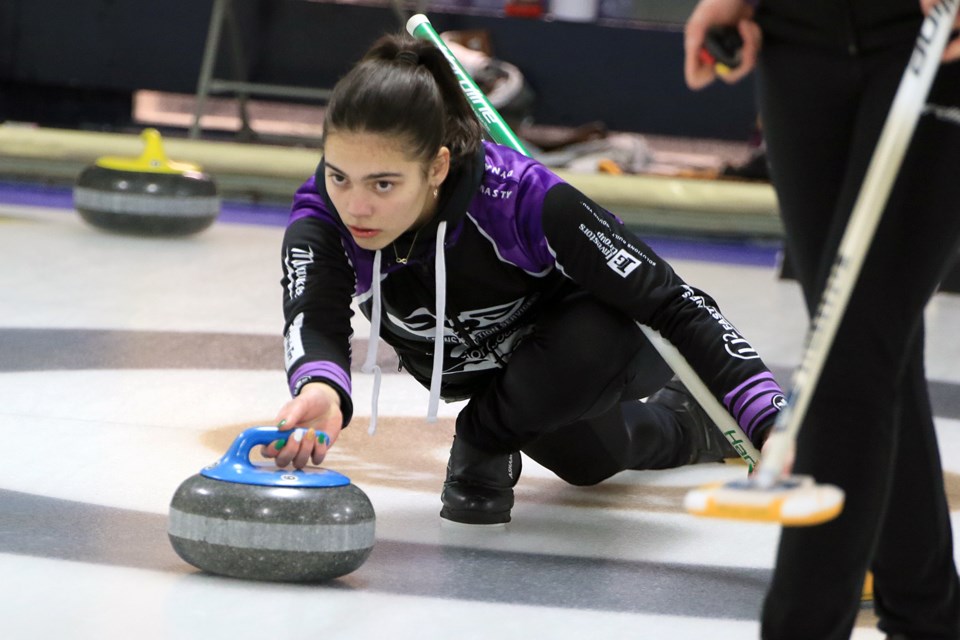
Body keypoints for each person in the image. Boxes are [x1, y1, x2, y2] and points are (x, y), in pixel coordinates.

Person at [262, 31, 787, 527]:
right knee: (591, 463)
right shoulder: (322, 220)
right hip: (498, 380)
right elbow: (313, 315)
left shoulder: (521, 198)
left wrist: (771, 420)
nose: (357, 206)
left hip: (600, 347)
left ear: (438, 168)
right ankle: (689, 423)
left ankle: (484, 436)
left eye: (383, 183)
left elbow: (675, 304)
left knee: (590, 341)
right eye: (338, 176)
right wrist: (321, 388)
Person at [684, 1, 960, 638]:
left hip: (929, 40)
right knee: (870, 345)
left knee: (853, 351)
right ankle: (929, 614)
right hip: (797, 41)